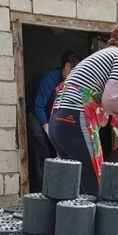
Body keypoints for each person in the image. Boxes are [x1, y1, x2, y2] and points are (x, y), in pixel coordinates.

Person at [49, 22, 118, 197]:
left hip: (58, 122)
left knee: (75, 190)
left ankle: (71, 224)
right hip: (75, 120)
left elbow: (101, 103)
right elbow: (112, 101)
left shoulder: (101, 56)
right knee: (95, 190)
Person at [25, 51, 83, 192]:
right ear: (67, 67)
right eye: (76, 72)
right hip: (33, 110)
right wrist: (47, 127)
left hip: (51, 113)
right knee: (40, 144)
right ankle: (41, 188)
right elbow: (39, 106)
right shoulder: (49, 80)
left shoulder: (71, 84)